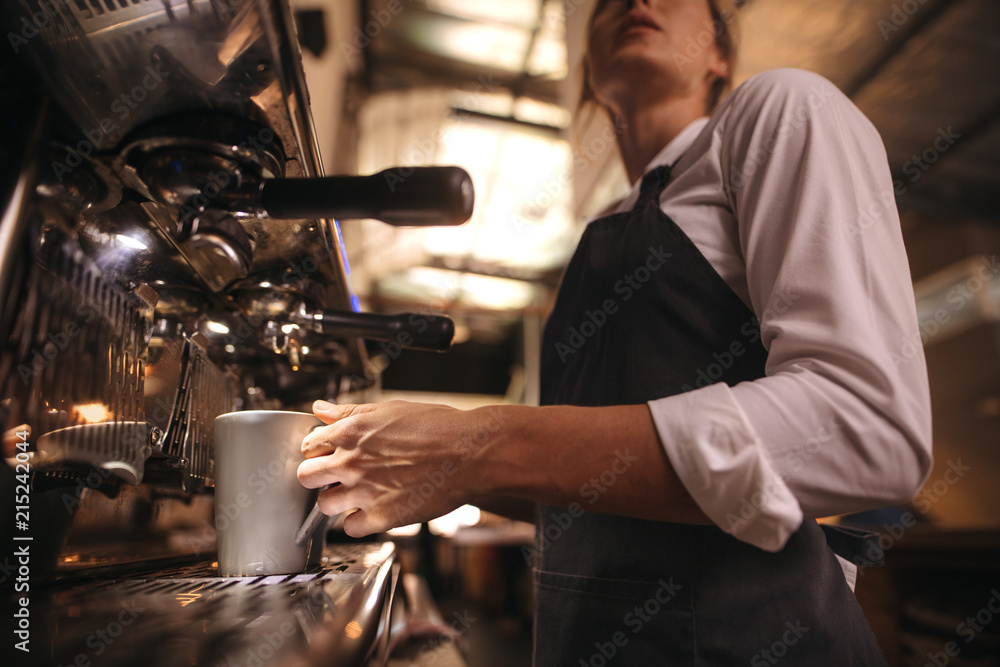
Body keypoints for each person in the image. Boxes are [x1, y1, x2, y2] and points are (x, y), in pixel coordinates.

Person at [297, 0, 932, 663]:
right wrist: (417, 461)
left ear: (719, 54)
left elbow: (866, 423)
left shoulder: (777, 114)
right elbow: (593, 489)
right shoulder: (598, 237)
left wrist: (479, 443)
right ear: (589, 73)